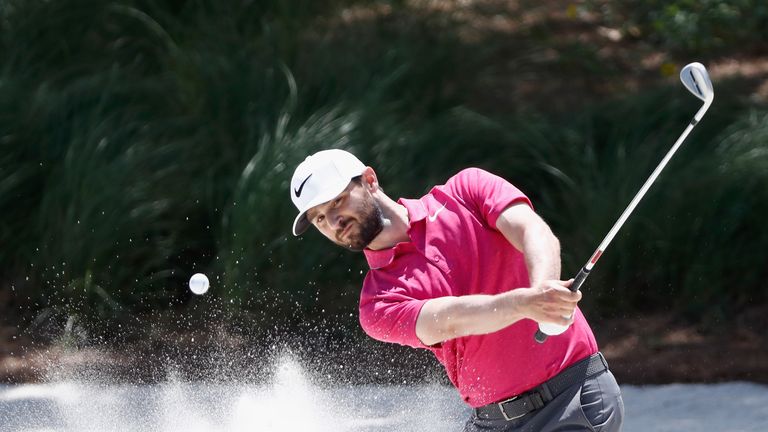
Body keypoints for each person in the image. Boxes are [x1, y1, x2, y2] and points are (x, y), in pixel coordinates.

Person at [290, 149, 624, 431]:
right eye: (320, 219)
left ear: (370, 180)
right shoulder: (377, 302)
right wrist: (525, 304)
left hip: (572, 398)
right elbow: (448, 320)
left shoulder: (465, 190)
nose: (333, 222)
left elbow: (530, 230)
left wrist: (544, 289)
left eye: (336, 202)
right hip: (492, 422)